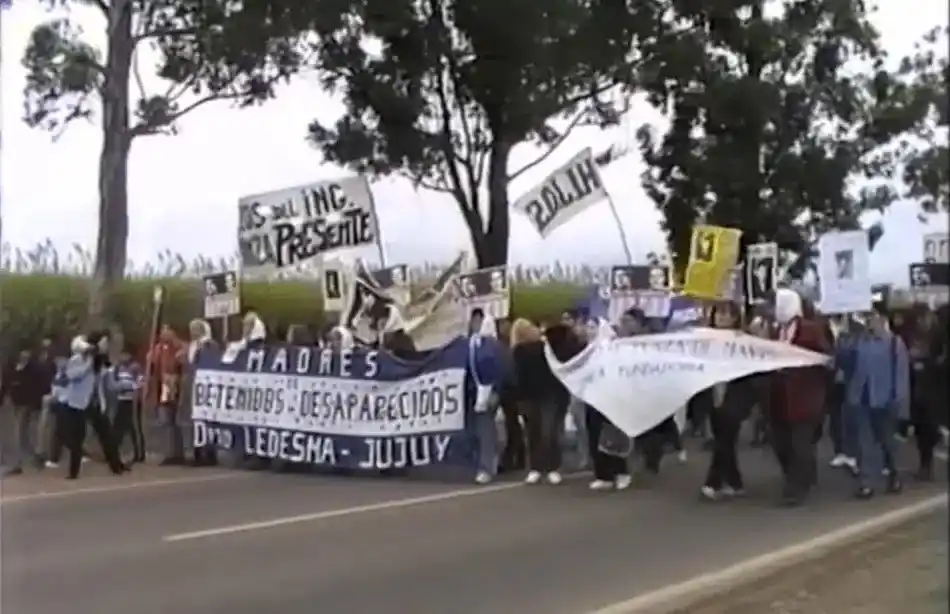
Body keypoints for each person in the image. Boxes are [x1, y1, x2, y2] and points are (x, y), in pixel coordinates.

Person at [770, 288, 831, 506]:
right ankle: (800, 475)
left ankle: (796, 489)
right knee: (781, 444)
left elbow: (825, 358)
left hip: (805, 398)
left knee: (800, 444)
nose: (779, 308)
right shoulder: (773, 331)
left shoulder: (811, 330)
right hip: (779, 399)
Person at [843, 304, 909, 498]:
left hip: (885, 399)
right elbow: (845, 363)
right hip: (861, 399)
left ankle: (894, 473)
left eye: (872, 317)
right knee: (864, 443)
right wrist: (846, 339)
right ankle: (866, 483)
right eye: (867, 317)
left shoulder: (894, 343)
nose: (869, 321)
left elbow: (901, 374)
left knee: (887, 441)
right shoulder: (858, 342)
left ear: (883, 319)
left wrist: (899, 400)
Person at [701, 301, 761, 500]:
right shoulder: (706, 339)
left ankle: (713, 481)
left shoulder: (743, 340)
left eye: (728, 314)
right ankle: (735, 482)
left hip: (736, 394)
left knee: (725, 438)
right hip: (715, 392)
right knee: (724, 439)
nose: (722, 317)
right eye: (719, 312)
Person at [511, 318, 569, 485]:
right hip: (528, 396)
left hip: (549, 395)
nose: (532, 330)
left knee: (548, 432)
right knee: (532, 433)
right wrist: (519, 399)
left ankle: (552, 467)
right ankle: (536, 468)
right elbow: (517, 377)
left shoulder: (546, 347)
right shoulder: (518, 351)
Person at [61, 336, 125, 479]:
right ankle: (73, 472)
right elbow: (72, 375)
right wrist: (88, 363)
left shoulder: (99, 363)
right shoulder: (76, 360)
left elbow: (106, 378)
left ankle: (116, 466)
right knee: (77, 438)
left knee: (107, 434)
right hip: (77, 403)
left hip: (94, 403)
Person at [0, 347, 50, 475]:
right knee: (23, 435)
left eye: (27, 352)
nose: (25, 354)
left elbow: (42, 384)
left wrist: (38, 401)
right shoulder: (10, 366)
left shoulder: (35, 367)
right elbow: (6, 384)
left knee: (18, 431)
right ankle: (37, 456)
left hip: (28, 403)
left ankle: (17, 464)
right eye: (23, 351)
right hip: (16, 402)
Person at [468, 315, 505, 484]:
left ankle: (486, 468)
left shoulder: (493, 346)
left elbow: (499, 370)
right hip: (473, 393)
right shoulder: (470, 344)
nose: (475, 325)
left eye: (479, 321)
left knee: (485, 430)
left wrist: (495, 392)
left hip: (489, 393)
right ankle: (490, 460)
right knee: (480, 430)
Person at [147, 325, 186, 465]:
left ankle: (178, 452)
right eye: (162, 331)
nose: (164, 333)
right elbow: (153, 366)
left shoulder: (180, 346)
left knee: (177, 421)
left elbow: (182, 363)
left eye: (167, 330)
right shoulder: (158, 349)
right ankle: (169, 452)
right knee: (165, 420)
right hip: (163, 386)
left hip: (176, 385)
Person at [183, 319, 218, 466]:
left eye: (195, 329)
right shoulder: (191, 346)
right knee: (194, 420)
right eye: (191, 329)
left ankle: (210, 453)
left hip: (205, 386)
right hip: (192, 386)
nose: (192, 332)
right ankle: (197, 452)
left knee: (207, 420)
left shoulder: (209, 345)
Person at [105, 348, 146, 463]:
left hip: (132, 401)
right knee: (117, 427)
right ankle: (113, 452)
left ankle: (139, 453)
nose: (123, 357)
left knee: (134, 427)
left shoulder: (135, 367)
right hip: (120, 400)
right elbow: (112, 383)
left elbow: (141, 382)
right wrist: (119, 387)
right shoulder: (117, 368)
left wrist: (131, 387)